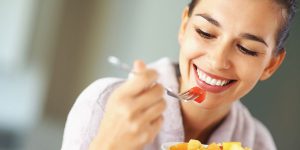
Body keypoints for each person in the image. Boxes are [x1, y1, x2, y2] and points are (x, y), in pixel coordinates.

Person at [61, 0, 296, 150]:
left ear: (271, 65)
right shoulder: (106, 104)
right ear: (184, 27)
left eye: (246, 49)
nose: (217, 61)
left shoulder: (258, 143)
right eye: (205, 32)